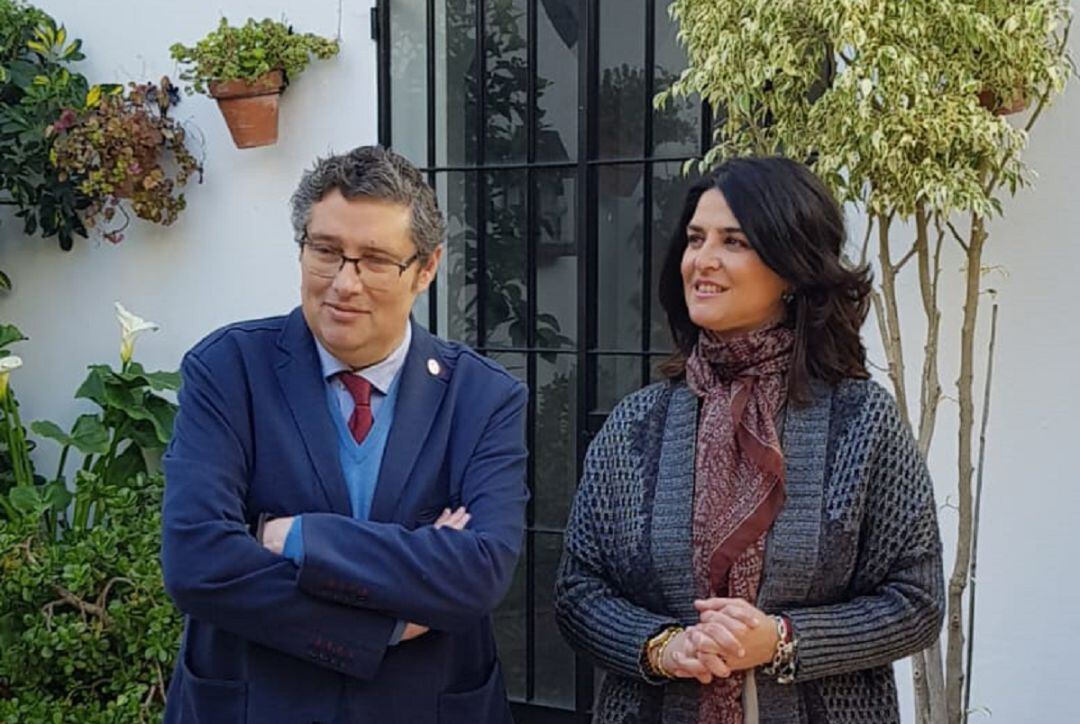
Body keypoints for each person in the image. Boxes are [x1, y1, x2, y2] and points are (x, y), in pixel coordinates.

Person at [554, 156, 944, 723]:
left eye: (733, 242)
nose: (702, 261)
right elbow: (578, 591)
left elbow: (917, 600)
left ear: (791, 268)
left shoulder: (861, 422)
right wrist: (664, 648)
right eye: (695, 239)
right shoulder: (637, 424)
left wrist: (783, 640)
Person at [161, 146, 528, 724]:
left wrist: (298, 537)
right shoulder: (227, 371)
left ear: (426, 268)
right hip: (256, 705)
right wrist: (378, 627)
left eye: (376, 259)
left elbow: (477, 571)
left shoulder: (483, 399)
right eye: (326, 251)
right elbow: (198, 562)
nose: (344, 283)